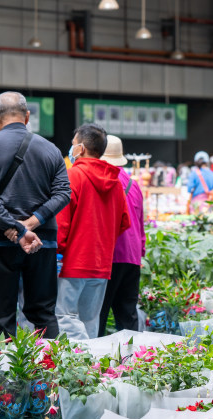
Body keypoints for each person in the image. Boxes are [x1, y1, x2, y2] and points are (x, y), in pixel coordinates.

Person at [0, 91, 70, 338]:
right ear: (27, 117)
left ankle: (4, 376)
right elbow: (63, 194)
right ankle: (51, 372)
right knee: (43, 312)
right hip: (42, 241)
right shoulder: (51, 149)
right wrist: (31, 224)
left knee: (2, 316)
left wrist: (15, 228)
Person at [56, 124, 130, 340]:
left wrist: (56, 251)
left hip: (73, 263)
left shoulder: (72, 176)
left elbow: (61, 223)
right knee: (90, 320)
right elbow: (123, 223)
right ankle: (91, 368)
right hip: (101, 264)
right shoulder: (115, 182)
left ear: (81, 148)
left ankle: (78, 367)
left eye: (72, 145)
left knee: (65, 316)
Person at [99, 135, 145, 336]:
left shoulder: (102, 181)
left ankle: (95, 364)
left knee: (99, 314)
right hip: (132, 257)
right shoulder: (133, 185)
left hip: (109, 255)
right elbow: (141, 224)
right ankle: (132, 363)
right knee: (128, 316)